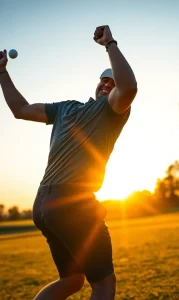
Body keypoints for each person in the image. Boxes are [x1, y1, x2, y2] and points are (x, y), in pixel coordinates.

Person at [0, 25, 137, 300]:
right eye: (103, 80)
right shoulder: (66, 108)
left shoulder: (113, 110)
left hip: (45, 207)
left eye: (112, 82)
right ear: (96, 83)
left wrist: (110, 45)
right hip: (67, 202)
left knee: (72, 280)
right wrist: (2, 72)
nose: (107, 84)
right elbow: (20, 110)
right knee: (104, 284)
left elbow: (129, 86)